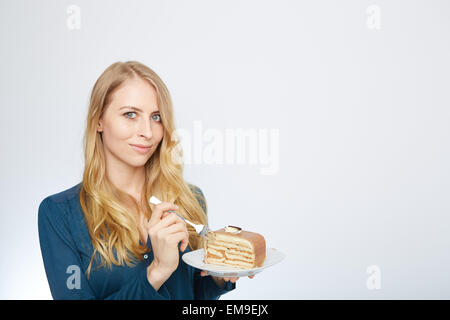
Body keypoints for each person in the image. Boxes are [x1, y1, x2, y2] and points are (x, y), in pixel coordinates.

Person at [38, 61, 253, 299]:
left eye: (156, 117)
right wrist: (156, 272)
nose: (148, 132)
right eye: (130, 114)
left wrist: (217, 277)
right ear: (98, 120)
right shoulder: (59, 214)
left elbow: (194, 296)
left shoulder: (190, 199)